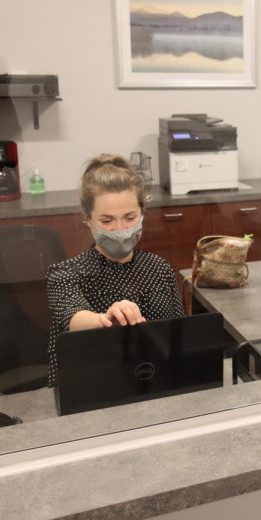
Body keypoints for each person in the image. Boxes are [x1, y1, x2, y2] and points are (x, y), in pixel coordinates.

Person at [46, 154, 184, 386]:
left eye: (130, 218)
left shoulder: (159, 269)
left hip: (157, 385)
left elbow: (180, 337)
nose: (120, 229)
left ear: (142, 213)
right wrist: (105, 319)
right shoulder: (65, 274)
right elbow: (73, 317)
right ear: (87, 219)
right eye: (107, 221)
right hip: (91, 388)